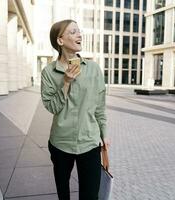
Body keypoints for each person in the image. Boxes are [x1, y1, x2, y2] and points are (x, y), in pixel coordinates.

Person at [41, 19, 109, 200]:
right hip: (60, 143)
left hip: (89, 142)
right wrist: (65, 83)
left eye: (79, 31)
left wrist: (104, 133)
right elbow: (51, 106)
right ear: (60, 40)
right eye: (73, 32)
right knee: (63, 195)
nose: (79, 35)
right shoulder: (49, 72)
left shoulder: (94, 69)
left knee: (90, 196)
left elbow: (100, 106)